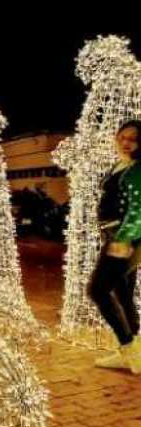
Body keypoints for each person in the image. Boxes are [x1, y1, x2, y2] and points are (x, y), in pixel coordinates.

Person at [89, 120, 141, 373]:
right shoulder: (120, 164)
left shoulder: (137, 169)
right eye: (123, 136)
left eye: (133, 139)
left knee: (97, 290)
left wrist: (124, 240)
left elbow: (137, 210)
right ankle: (136, 351)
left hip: (123, 237)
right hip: (114, 234)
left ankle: (128, 347)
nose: (126, 142)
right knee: (123, 293)